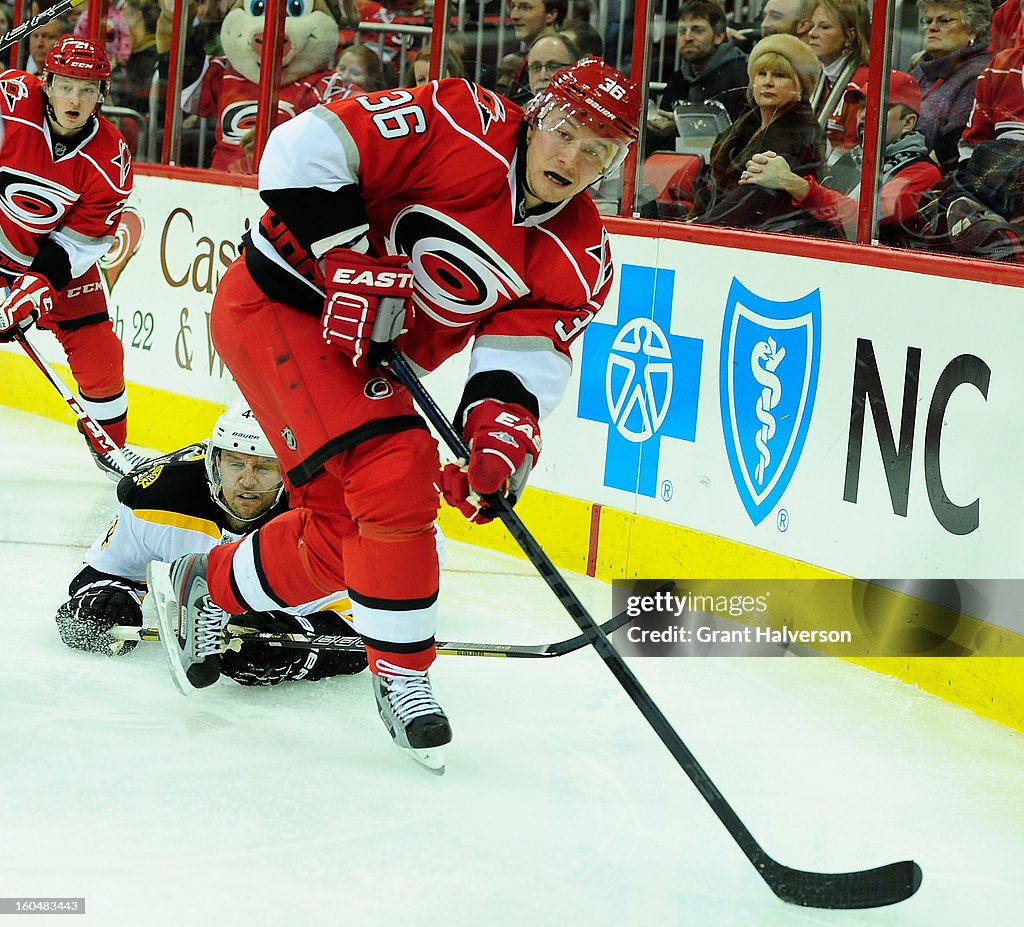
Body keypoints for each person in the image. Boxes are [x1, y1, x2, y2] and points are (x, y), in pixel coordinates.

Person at [145, 57, 641, 773]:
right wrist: (346, 253)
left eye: (599, 149)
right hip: (282, 304)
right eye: (566, 131)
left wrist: (495, 448)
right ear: (537, 115)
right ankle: (404, 675)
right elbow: (301, 147)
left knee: (343, 540)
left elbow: (520, 366)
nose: (574, 156)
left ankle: (208, 584)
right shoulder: (459, 119)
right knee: (397, 465)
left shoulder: (579, 253)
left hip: (364, 363)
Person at [56, 399, 369, 685]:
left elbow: (363, 631)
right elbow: (109, 570)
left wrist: (296, 649)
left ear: (289, 472)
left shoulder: (327, 518)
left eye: (264, 467)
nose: (247, 480)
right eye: (235, 463)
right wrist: (107, 599)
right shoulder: (158, 496)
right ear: (215, 463)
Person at [0, 35, 145, 479]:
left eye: (87, 89)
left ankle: (111, 450)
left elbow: (80, 243)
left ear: (103, 94)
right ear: (46, 83)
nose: (75, 98)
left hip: (48, 256)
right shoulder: (10, 103)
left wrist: (36, 287)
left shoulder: (110, 157)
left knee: (100, 354)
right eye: (66, 85)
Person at [739, 71, 942, 243]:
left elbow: (864, 219)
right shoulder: (854, 157)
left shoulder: (922, 172)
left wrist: (791, 182)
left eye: (878, 107)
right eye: (863, 106)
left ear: (908, 123)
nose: (864, 115)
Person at [688, 33, 826, 226]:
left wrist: (697, 225)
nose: (767, 82)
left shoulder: (803, 136)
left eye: (779, 75)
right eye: (761, 73)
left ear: (800, 88)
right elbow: (710, 190)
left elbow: (748, 203)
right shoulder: (743, 127)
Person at [646, 0, 750, 154]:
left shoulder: (741, 76)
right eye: (682, 31)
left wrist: (684, 127)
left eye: (697, 30)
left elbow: (737, 141)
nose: (687, 37)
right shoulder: (679, 78)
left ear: (719, 36)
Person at [910, 0, 992, 173]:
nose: (932, 27)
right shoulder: (921, 69)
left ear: (972, 29)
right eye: (927, 20)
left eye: (944, 20)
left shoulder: (980, 74)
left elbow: (952, 147)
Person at [806, 0, 870, 153]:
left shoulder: (865, 82)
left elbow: (853, 150)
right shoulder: (816, 77)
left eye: (824, 27)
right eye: (812, 25)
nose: (812, 33)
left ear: (849, 36)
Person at [503, 0, 569, 100]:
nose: (514, 16)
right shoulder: (523, 61)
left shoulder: (566, 56)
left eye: (525, 7)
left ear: (551, 14)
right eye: (512, 7)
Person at [517, 30, 580, 105]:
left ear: (574, 70)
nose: (543, 76)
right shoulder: (518, 115)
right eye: (536, 67)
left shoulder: (592, 115)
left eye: (553, 67)